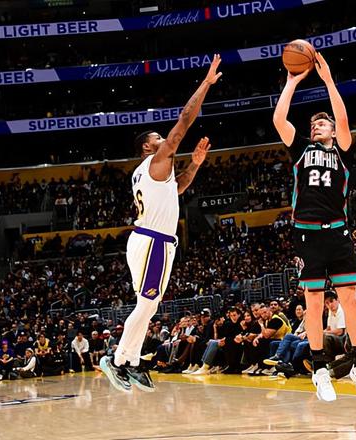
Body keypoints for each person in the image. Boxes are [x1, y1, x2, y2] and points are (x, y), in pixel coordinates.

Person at [100, 55, 222, 393]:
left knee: (149, 305)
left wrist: (195, 164)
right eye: (158, 137)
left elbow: (178, 188)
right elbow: (184, 119)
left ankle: (131, 361)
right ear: (147, 147)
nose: (164, 139)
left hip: (154, 241)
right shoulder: (155, 160)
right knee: (147, 304)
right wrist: (206, 83)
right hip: (153, 241)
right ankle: (118, 359)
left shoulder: (152, 173)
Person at [272, 52, 356, 401]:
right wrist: (291, 83)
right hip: (307, 232)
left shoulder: (342, 150)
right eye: (314, 124)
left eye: (322, 123)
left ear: (332, 130)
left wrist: (328, 80)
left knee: (349, 298)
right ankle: (319, 370)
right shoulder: (301, 148)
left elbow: (342, 118)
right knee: (313, 301)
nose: (316, 125)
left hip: (338, 231)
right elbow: (278, 119)